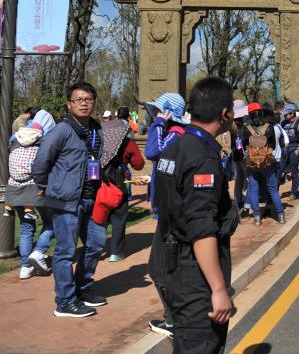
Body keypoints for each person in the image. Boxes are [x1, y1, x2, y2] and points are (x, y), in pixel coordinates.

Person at [152, 77, 238, 354]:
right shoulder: (202, 157)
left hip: (173, 262)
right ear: (224, 114)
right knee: (201, 345)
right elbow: (201, 228)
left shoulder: (175, 146)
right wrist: (218, 288)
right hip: (195, 276)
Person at [31, 82, 107, 317]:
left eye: (88, 99)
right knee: (65, 252)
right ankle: (64, 302)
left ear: (94, 102)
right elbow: (40, 162)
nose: (83, 103)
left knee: (96, 243)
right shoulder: (61, 130)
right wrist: (45, 186)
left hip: (89, 198)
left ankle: (81, 289)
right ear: (69, 104)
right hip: (65, 201)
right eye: (78, 100)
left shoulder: (96, 129)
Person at [143, 92, 190, 336]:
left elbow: (152, 152)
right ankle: (175, 317)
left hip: (171, 214)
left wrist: (159, 123)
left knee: (159, 268)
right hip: (170, 209)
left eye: (157, 111)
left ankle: (174, 320)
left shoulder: (174, 133)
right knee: (166, 266)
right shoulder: (174, 135)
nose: (152, 114)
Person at [6, 109, 56, 279]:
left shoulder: (15, 139)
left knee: (27, 228)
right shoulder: (44, 141)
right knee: (53, 222)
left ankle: (25, 267)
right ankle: (39, 251)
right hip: (37, 189)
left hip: (15, 188)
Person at [101, 116, 145, 261]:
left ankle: (95, 249)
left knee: (99, 216)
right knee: (118, 217)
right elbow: (138, 164)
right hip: (119, 184)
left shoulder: (100, 140)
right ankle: (116, 252)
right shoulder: (128, 143)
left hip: (99, 183)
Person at [241, 102, 285, 225]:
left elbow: (241, 144)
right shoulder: (269, 127)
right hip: (267, 162)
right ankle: (280, 215)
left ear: (249, 113)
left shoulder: (245, 128)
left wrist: (246, 153)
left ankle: (257, 217)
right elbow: (274, 145)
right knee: (272, 189)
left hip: (252, 163)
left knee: (253, 188)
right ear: (261, 112)